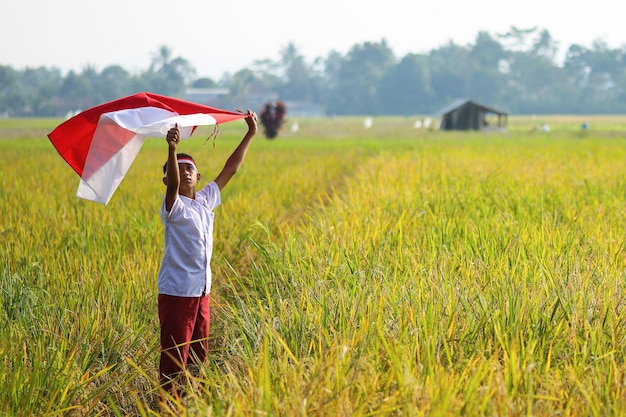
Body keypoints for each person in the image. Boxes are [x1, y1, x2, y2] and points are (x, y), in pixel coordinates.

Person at [157, 110, 257, 396]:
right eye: (178, 169)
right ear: (167, 181)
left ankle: (193, 403)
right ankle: (167, 407)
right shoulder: (173, 208)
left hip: (201, 293)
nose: (185, 171)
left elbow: (231, 169)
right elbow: (175, 186)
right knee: (175, 359)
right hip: (177, 293)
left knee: (199, 357)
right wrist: (172, 148)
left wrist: (249, 134)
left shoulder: (205, 201)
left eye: (189, 168)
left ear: (198, 176)